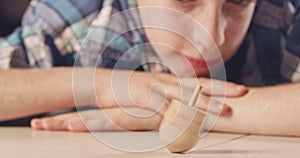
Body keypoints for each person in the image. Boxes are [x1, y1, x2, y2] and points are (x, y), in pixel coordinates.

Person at [0, 0, 299, 137]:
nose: (211, 36)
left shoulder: (282, 11)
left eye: (238, 2)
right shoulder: (77, 16)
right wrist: (100, 84)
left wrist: (180, 113)